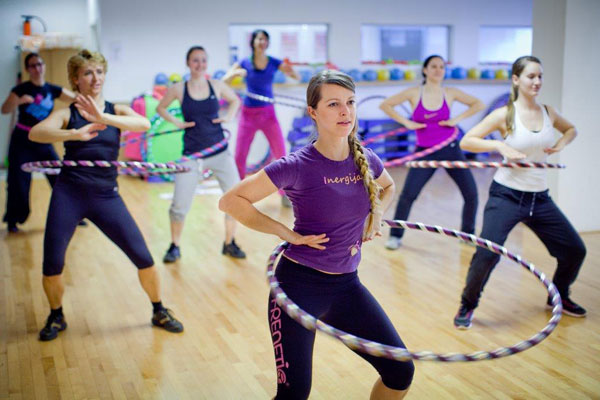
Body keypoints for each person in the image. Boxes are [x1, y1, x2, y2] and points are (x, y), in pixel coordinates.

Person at [219, 70, 414, 399]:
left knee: (400, 370)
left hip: (346, 287)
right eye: (334, 104)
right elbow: (231, 201)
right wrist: (285, 233)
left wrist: (376, 213)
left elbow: (388, 185)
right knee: (294, 394)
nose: (345, 112)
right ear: (313, 112)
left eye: (350, 103)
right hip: (298, 287)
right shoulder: (296, 165)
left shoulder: (364, 158)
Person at [29, 50, 183, 341]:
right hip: (69, 193)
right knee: (52, 262)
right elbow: (36, 133)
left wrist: (103, 117)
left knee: (143, 257)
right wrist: (74, 135)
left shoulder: (116, 111)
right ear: (76, 79)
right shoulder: (68, 112)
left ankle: (159, 309)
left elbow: (145, 124)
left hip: (106, 195)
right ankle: (56, 314)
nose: (95, 78)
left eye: (99, 72)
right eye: (87, 73)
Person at [453, 56, 587, 330]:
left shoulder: (549, 112)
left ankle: (559, 294)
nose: (537, 82)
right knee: (487, 253)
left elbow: (571, 129)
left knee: (575, 250)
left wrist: (561, 143)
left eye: (540, 76)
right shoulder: (505, 114)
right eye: (530, 76)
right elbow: (467, 140)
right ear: (516, 80)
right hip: (507, 196)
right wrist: (500, 147)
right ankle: (467, 304)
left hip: (540, 197)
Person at [379, 55, 484, 249]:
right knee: (408, 195)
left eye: (441, 67)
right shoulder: (413, 93)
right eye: (434, 66)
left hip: (450, 149)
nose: (438, 70)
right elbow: (385, 105)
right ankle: (395, 236)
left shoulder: (450, 93)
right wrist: (406, 122)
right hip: (425, 152)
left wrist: (456, 120)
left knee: (471, 193)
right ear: (425, 70)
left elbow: (479, 104)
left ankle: (468, 234)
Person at [157, 46, 246, 263]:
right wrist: (177, 122)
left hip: (219, 151)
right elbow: (161, 108)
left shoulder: (216, 85)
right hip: (191, 154)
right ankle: (174, 245)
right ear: (188, 63)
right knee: (179, 205)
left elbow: (235, 100)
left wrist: (228, 116)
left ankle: (229, 242)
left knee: (235, 199)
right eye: (195, 60)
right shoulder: (178, 88)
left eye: (203, 60)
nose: (200, 64)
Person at [1, 53, 76, 233]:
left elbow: (75, 99)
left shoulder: (52, 89)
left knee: (60, 176)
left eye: (39, 64)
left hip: (43, 140)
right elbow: (4, 109)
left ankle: (72, 215)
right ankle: (13, 220)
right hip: (22, 141)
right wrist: (18, 101)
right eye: (33, 66)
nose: (37, 68)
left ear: (44, 66)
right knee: (18, 181)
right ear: (28, 69)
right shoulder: (21, 89)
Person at [223, 29, 299, 181]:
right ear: (253, 42)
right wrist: (236, 74)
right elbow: (225, 81)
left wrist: (290, 71)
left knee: (280, 152)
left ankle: (285, 190)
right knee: (240, 154)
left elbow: (296, 77)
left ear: (268, 43)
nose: (262, 42)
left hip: (268, 113)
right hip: (248, 114)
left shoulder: (274, 62)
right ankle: (237, 188)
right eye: (259, 39)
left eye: (265, 39)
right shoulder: (244, 62)